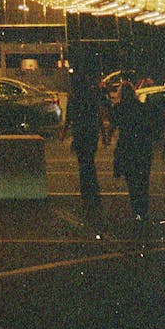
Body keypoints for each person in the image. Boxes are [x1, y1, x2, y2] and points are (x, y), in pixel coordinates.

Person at [111, 81, 154, 229]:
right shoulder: (142, 108)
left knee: (132, 183)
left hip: (127, 148)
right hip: (142, 148)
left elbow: (114, 125)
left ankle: (137, 212)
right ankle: (143, 212)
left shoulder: (119, 108)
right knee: (143, 181)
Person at [60, 72, 102, 222]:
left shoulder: (74, 98)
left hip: (79, 133)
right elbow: (98, 114)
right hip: (91, 132)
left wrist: (64, 133)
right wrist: (103, 133)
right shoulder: (91, 96)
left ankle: (87, 191)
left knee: (83, 163)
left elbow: (69, 117)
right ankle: (94, 190)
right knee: (89, 161)